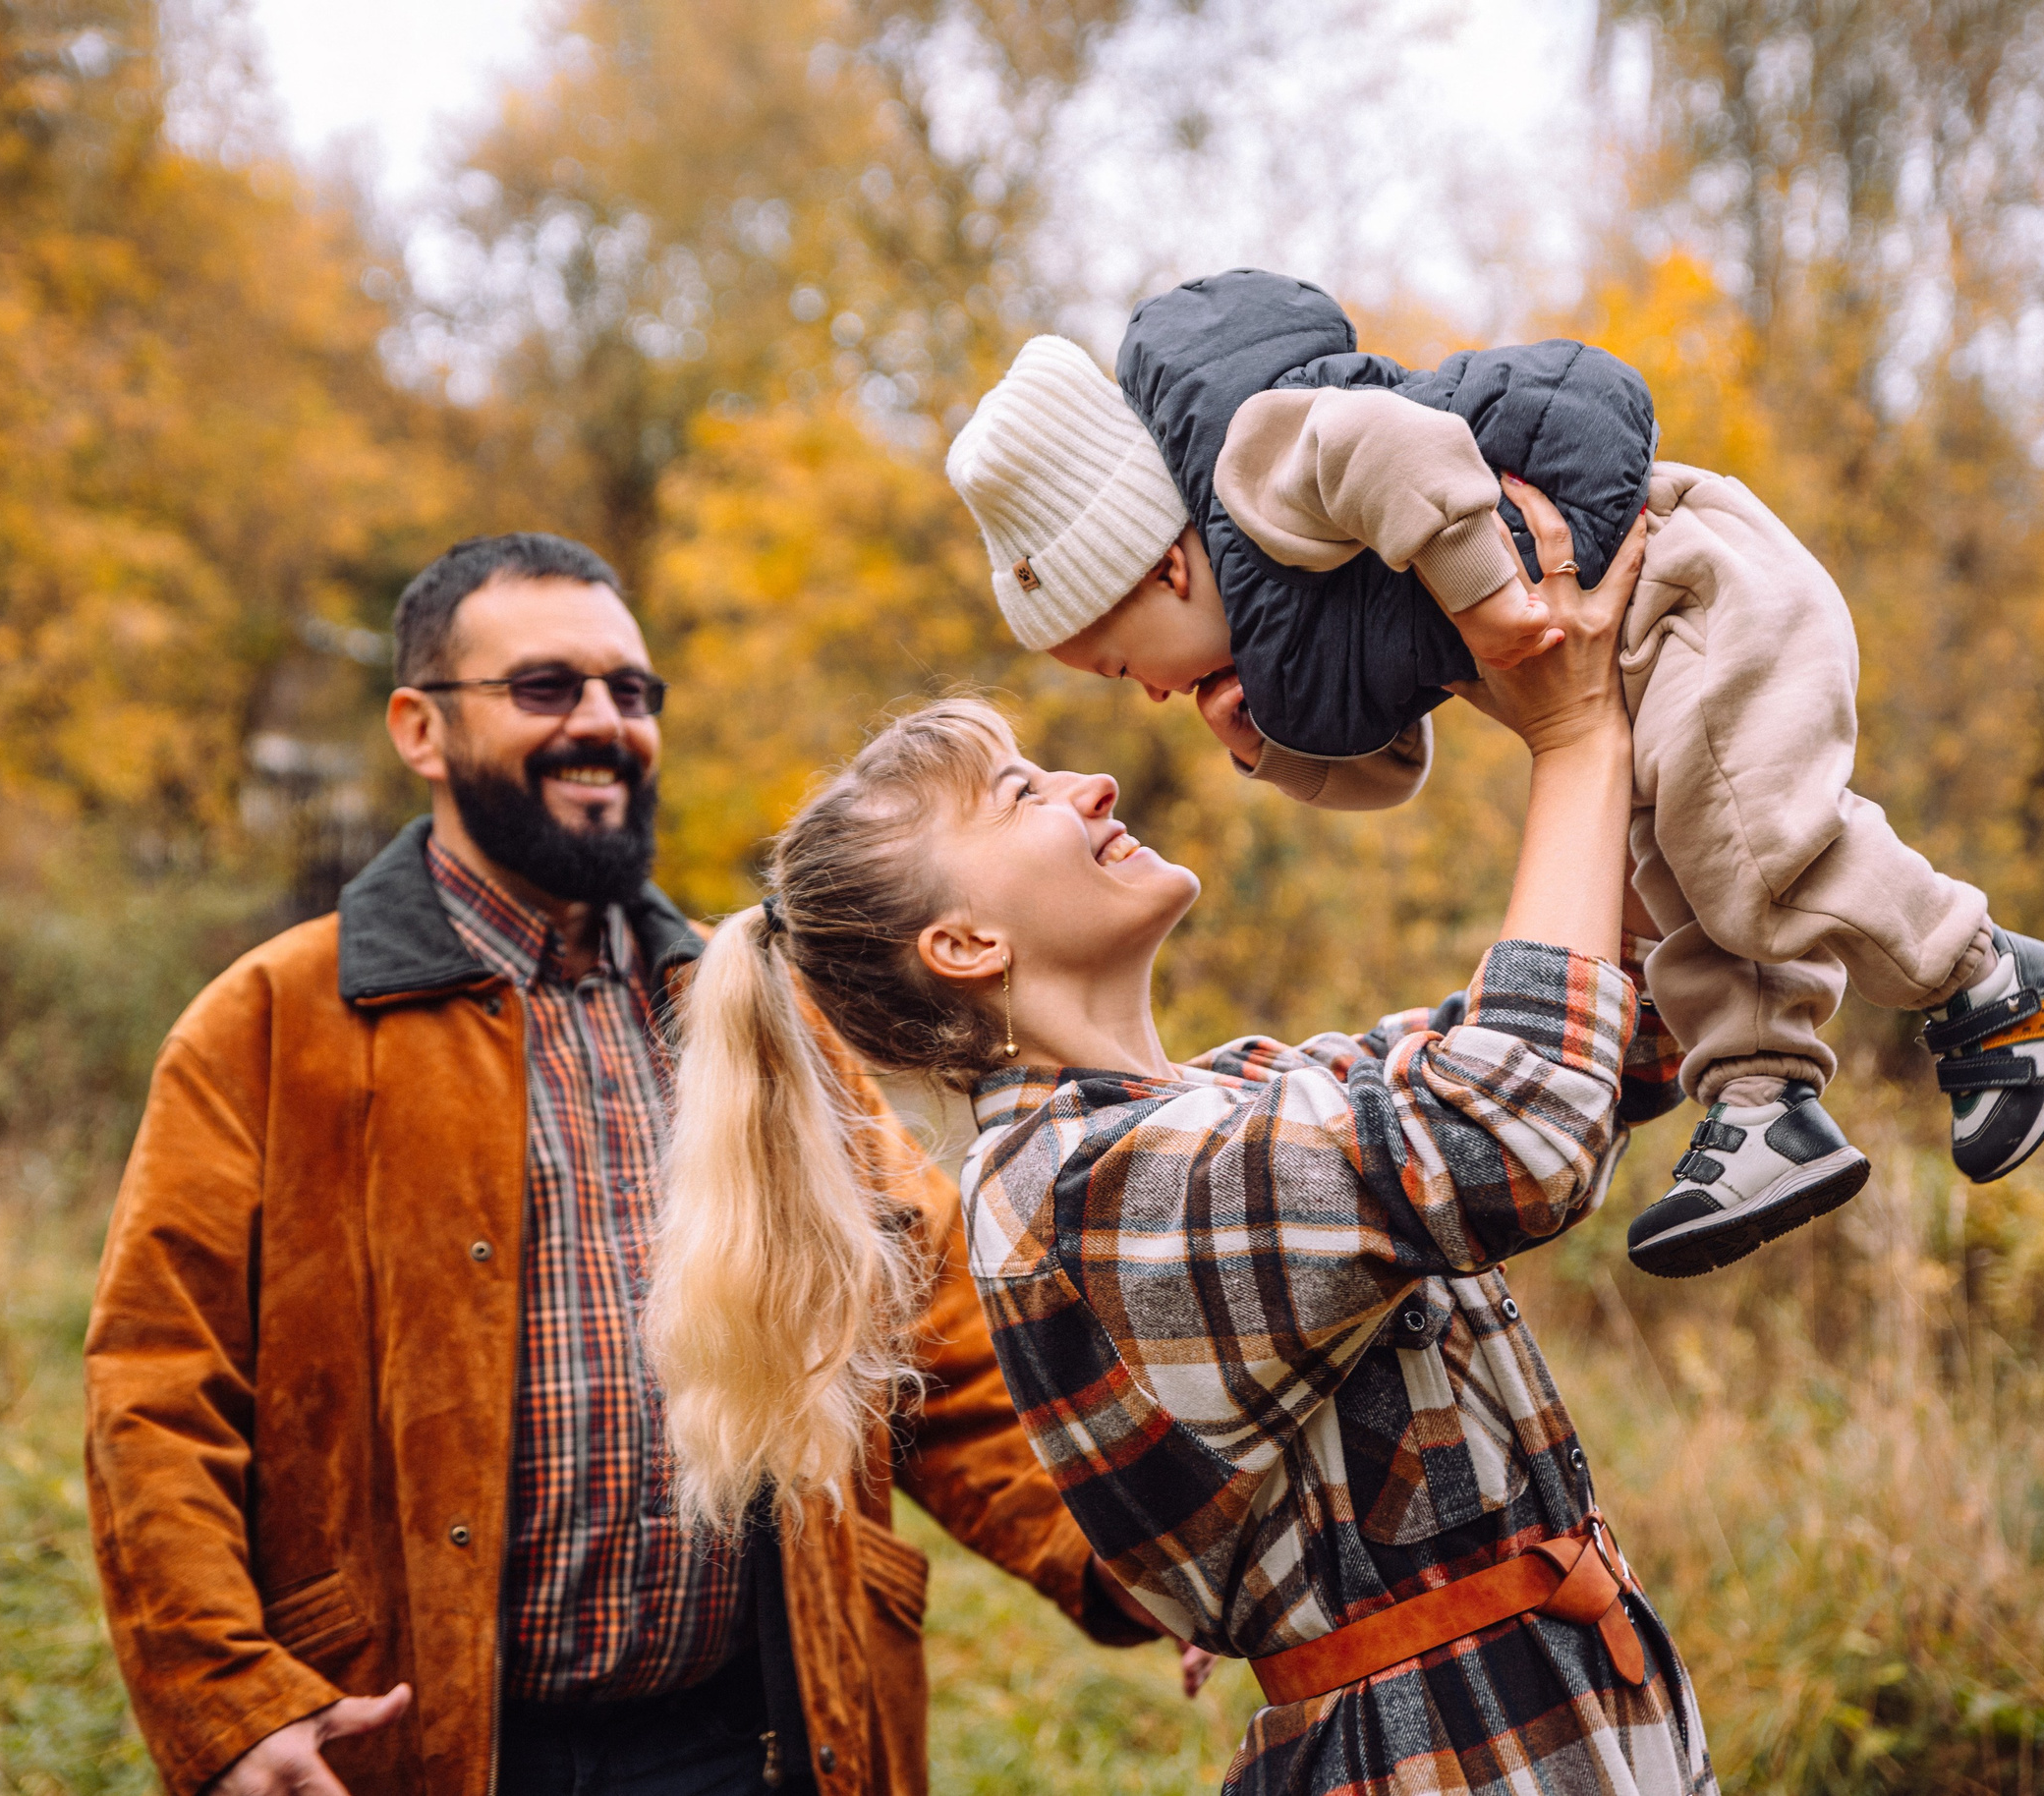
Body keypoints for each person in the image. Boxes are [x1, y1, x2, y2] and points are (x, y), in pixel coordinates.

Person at [650, 485, 1717, 1794]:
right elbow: (1511, 1128)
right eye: (1023, 791)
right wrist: (1571, 738)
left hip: (1564, 1725)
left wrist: (1471, 665)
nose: (1094, 781)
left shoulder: (1235, 1094)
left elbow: (1626, 1031)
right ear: (966, 943)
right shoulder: (1080, 1192)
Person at [83, 533, 1156, 1796]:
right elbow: (159, 1384)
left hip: (753, 1733)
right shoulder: (271, 1024)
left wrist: (1146, 1552)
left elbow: (928, 1338)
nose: (602, 721)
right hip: (425, 1741)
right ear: (420, 728)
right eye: (546, 687)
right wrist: (223, 1698)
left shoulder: (751, 1006)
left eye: (630, 690)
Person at [941, 268, 2044, 1280]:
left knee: (1752, 851)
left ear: (1158, 570)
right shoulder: (1279, 629)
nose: (1146, 695)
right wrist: (1272, 747)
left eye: (1118, 664)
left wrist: (1489, 601)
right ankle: (1763, 1107)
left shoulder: (1261, 467)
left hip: (1689, 587)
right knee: (1680, 884)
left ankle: (1988, 975)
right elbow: (1394, 766)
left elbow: (1395, 444)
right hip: (1636, 664)